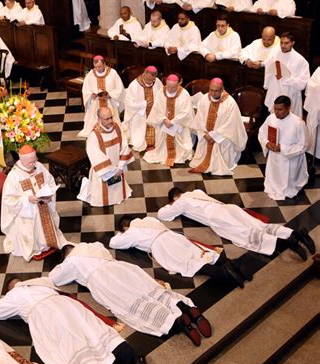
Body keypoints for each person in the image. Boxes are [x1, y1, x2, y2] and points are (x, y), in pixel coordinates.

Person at [0, 277, 138, 364]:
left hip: (44, 315)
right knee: (93, 331)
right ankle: (135, 357)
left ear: (10, 289)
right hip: (67, 306)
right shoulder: (41, 282)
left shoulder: (13, 296)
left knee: (66, 348)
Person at [50, 242, 208, 346]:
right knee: (151, 291)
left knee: (134, 304)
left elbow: (54, 278)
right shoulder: (92, 246)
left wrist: (63, 264)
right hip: (122, 269)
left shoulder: (70, 262)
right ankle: (189, 310)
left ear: (65, 256)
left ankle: (180, 323)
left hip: (104, 281)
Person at [157, 187, 313, 261]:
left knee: (245, 235)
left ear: (175, 198)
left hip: (218, 217)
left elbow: (162, 214)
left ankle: (288, 242)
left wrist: (172, 204)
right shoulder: (196, 192)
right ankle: (296, 234)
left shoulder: (181, 201)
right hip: (229, 208)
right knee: (258, 226)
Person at [110, 216, 249, 289]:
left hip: (163, 245)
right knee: (200, 253)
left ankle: (226, 275)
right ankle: (234, 264)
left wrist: (122, 233)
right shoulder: (148, 219)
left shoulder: (131, 232)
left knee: (190, 264)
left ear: (124, 227)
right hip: (174, 237)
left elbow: (113, 243)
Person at [1, 144, 67, 261]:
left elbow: (50, 182)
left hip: (43, 206)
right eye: (30, 162)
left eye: (35, 160)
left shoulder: (39, 166)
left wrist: (49, 196)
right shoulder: (14, 176)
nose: (34, 164)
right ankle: (36, 247)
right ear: (22, 160)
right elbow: (8, 199)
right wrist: (27, 199)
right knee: (34, 222)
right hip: (27, 212)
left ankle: (48, 243)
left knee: (44, 220)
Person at [189, 78, 247, 175]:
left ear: (222, 89)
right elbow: (200, 118)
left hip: (222, 137)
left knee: (221, 145)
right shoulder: (204, 99)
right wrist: (205, 133)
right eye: (211, 90)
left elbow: (230, 124)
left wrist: (214, 135)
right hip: (206, 135)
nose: (213, 93)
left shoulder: (230, 103)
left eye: (216, 91)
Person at [78, 107, 133, 206]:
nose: (111, 121)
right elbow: (96, 157)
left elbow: (124, 146)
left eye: (111, 117)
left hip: (118, 168)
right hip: (104, 172)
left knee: (118, 193)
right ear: (99, 119)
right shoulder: (94, 135)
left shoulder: (117, 128)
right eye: (107, 119)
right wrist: (112, 171)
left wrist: (120, 167)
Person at [259, 95, 309, 202]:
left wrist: (282, 148)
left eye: (280, 109)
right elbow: (261, 133)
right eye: (275, 109)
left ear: (288, 108)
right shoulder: (271, 118)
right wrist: (267, 143)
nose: (276, 112)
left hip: (290, 160)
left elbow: (303, 145)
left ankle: (291, 187)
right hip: (274, 158)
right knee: (273, 181)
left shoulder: (298, 123)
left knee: (288, 186)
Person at [144, 73, 195, 166]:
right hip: (164, 125)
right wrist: (164, 119)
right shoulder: (161, 92)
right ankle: (163, 153)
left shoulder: (184, 94)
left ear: (178, 85)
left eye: (173, 87)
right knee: (161, 142)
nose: (170, 89)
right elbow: (156, 109)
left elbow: (186, 112)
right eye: (168, 87)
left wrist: (173, 121)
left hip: (179, 126)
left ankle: (179, 154)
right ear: (166, 84)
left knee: (181, 141)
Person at [263, 32, 309, 118]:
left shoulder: (300, 60)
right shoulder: (275, 55)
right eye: (281, 42)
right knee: (274, 120)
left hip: (290, 93)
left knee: (290, 123)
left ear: (292, 43)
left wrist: (287, 79)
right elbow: (269, 69)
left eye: (286, 43)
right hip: (276, 91)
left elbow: (303, 83)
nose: (283, 46)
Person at [79, 55, 125, 138]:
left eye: (100, 66)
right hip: (96, 103)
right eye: (96, 67)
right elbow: (85, 89)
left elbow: (120, 89)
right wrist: (90, 95)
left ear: (104, 64)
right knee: (93, 122)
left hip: (110, 102)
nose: (98, 69)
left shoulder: (113, 73)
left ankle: (112, 129)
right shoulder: (91, 74)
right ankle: (96, 131)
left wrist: (110, 95)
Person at [123, 65, 162, 152]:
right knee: (138, 140)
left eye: (152, 79)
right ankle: (143, 142)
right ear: (144, 74)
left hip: (154, 113)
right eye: (148, 79)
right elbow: (129, 103)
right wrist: (144, 105)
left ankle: (155, 143)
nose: (150, 82)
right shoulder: (134, 85)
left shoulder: (157, 82)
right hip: (139, 114)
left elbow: (161, 96)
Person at [304, 67, 320, 160]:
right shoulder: (319, 70)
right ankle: (313, 155)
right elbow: (311, 84)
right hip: (316, 106)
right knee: (314, 132)